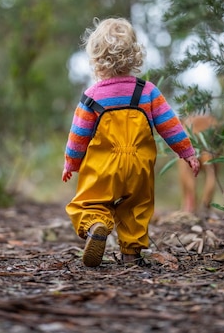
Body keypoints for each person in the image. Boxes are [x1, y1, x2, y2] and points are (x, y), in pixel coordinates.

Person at [61, 17, 200, 267]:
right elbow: (170, 125)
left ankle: (96, 224)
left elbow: (78, 135)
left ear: (96, 58)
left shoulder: (92, 96)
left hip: (103, 167)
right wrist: (186, 152)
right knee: (136, 208)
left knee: (89, 202)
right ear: (134, 56)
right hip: (139, 166)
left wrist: (71, 163)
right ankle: (131, 255)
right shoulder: (147, 91)